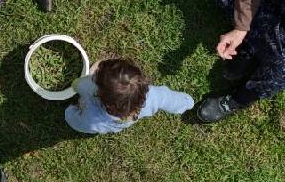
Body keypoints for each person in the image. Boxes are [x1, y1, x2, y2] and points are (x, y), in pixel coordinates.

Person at [64, 58, 194, 135]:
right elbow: (173, 100)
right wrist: (188, 102)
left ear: (99, 94)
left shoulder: (93, 118)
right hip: (120, 121)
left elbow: (77, 86)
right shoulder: (154, 95)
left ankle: (81, 104)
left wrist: (71, 111)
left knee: (81, 106)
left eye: (96, 77)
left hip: (100, 119)